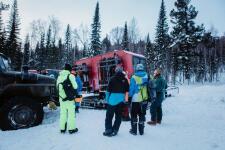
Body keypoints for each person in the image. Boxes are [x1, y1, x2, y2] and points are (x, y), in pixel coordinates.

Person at [103, 66, 129, 137]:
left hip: (112, 100)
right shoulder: (125, 79)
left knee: (109, 116)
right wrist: (125, 101)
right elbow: (127, 91)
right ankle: (115, 130)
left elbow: (108, 91)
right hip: (121, 100)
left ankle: (108, 130)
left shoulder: (112, 78)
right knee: (118, 116)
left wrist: (107, 100)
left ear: (115, 71)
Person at [56, 64, 78, 134]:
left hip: (61, 98)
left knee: (63, 114)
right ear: (69, 70)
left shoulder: (59, 77)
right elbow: (75, 86)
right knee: (71, 114)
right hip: (69, 98)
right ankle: (71, 129)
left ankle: (62, 129)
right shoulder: (70, 76)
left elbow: (57, 87)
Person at [128, 64, 149, 135]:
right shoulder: (147, 76)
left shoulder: (134, 77)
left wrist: (129, 97)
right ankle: (141, 131)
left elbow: (132, 89)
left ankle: (134, 131)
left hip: (135, 99)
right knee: (142, 114)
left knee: (134, 114)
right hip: (144, 98)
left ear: (136, 69)